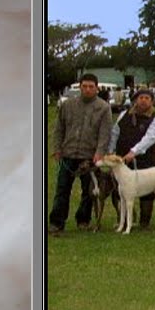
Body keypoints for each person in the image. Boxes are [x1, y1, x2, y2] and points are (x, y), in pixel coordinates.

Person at [48, 73, 112, 233]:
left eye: (91, 87)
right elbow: (59, 129)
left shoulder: (103, 108)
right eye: (84, 86)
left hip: (89, 157)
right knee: (62, 189)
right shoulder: (67, 105)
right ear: (79, 87)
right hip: (68, 154)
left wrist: (100, 153)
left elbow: (105, 133)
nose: (88, 89)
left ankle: (83, 220)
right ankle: (56, 222)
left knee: (88, 192)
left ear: (97, 88)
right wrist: (56, 149)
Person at [107, 88, 155, 229]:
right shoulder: (123, 115)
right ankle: (127, 220)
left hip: (146, 160)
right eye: (141, 97)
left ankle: (144, 222)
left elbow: (149, 138)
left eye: (147, 98)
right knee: (119, 190)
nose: (143, 100)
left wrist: (134, 152)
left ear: (152, 101)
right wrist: (110, 151)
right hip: (122, 161)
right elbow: (115, 133)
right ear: (135, 100)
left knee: (147, 192)